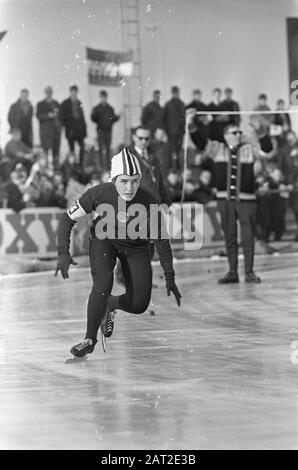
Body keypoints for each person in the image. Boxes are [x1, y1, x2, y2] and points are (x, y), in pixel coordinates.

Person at [55, 148, 181, 358]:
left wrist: (170, 275)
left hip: (135, 246)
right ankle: (90, 339)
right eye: (124, 181)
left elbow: (161, 240)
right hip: (104, 241)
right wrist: (63, 253)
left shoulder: (149, 200)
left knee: (139, 304)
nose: (130, 187)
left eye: (134, 181)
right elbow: (67, 219)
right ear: (114, 180)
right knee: (102, 285)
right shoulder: (98, 193)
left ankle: (110, 305)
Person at [188, 108, 273, 283]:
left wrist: (260, 130)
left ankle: (249, 272)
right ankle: (233, 271)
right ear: (226, 135)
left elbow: (267, 148)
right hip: (225, 200)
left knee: (248, 237)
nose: (239, 134)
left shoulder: (250, 148)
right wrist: (190, 123)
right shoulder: (217, 148)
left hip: (247, 200)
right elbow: (199, 141)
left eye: (240, 132)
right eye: (235, 132)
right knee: (230, 236)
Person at [91, 90, 120, 171]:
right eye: (102, 97)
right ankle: (100, 167)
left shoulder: (110, 108)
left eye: (104, 97)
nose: (103, 98)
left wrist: (118, 117)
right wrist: (92, 114)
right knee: (100, 149)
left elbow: (113, 119)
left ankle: (107, 167)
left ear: (106, 97)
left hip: (108, 131)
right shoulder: (96, 108)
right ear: (100, 97)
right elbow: (94, 119)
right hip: (100, 132)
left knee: (107, 149)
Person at [60, 85, 87, 167]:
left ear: (77, 92)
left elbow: (82, 118)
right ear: (70, 92)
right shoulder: (65, 103)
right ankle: (73, 166)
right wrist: (67, 126)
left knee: (82, 147)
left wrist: (84, 131)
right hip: (70, 130)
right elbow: (62, 117)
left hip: (79, 130)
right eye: (72, 91)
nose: (74, 93)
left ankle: (80, 164)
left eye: (75, 91)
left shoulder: (79, 102)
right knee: (72, 150)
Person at [36, 86, 61, 167]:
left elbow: (61, 116)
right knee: (45, 154)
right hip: (45, 133)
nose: (49, 94)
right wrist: (48, 115)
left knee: (56, 153)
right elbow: (39, 116)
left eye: (50, 92)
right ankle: (45, 171)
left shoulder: (56, 103)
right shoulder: (40, 104)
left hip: (55, 133)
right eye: (47, 92)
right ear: (45, 93)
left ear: (52, 93)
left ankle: (56, 171)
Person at [162, 86, 185, 170]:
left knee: (179, 150)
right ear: (172, 93)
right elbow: (163, 118)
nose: (176, 94)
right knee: (171, 150)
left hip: (180, 131)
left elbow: (184, 118)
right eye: (174, 92)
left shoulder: (182, 104)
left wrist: (183, 129)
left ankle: (178, 166)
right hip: (171, 132)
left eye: (177, 92)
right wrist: (166, 130)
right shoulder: (168, 105)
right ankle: (171, 166)